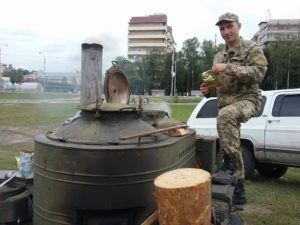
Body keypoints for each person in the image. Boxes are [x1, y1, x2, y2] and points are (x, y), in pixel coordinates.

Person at [200, 12, 268, 205]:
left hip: (248, 100)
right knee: (233, 146)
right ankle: (239, 192)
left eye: (229, 26)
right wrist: (207, 90)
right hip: (226, 105)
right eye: (222, 28)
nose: (226, 31)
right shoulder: (218, 56)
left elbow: (258, 73)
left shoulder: (251, 48)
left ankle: (228, 167)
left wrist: (227, 68)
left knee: (225, 117)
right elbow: (216, 85)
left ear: (239, 26)